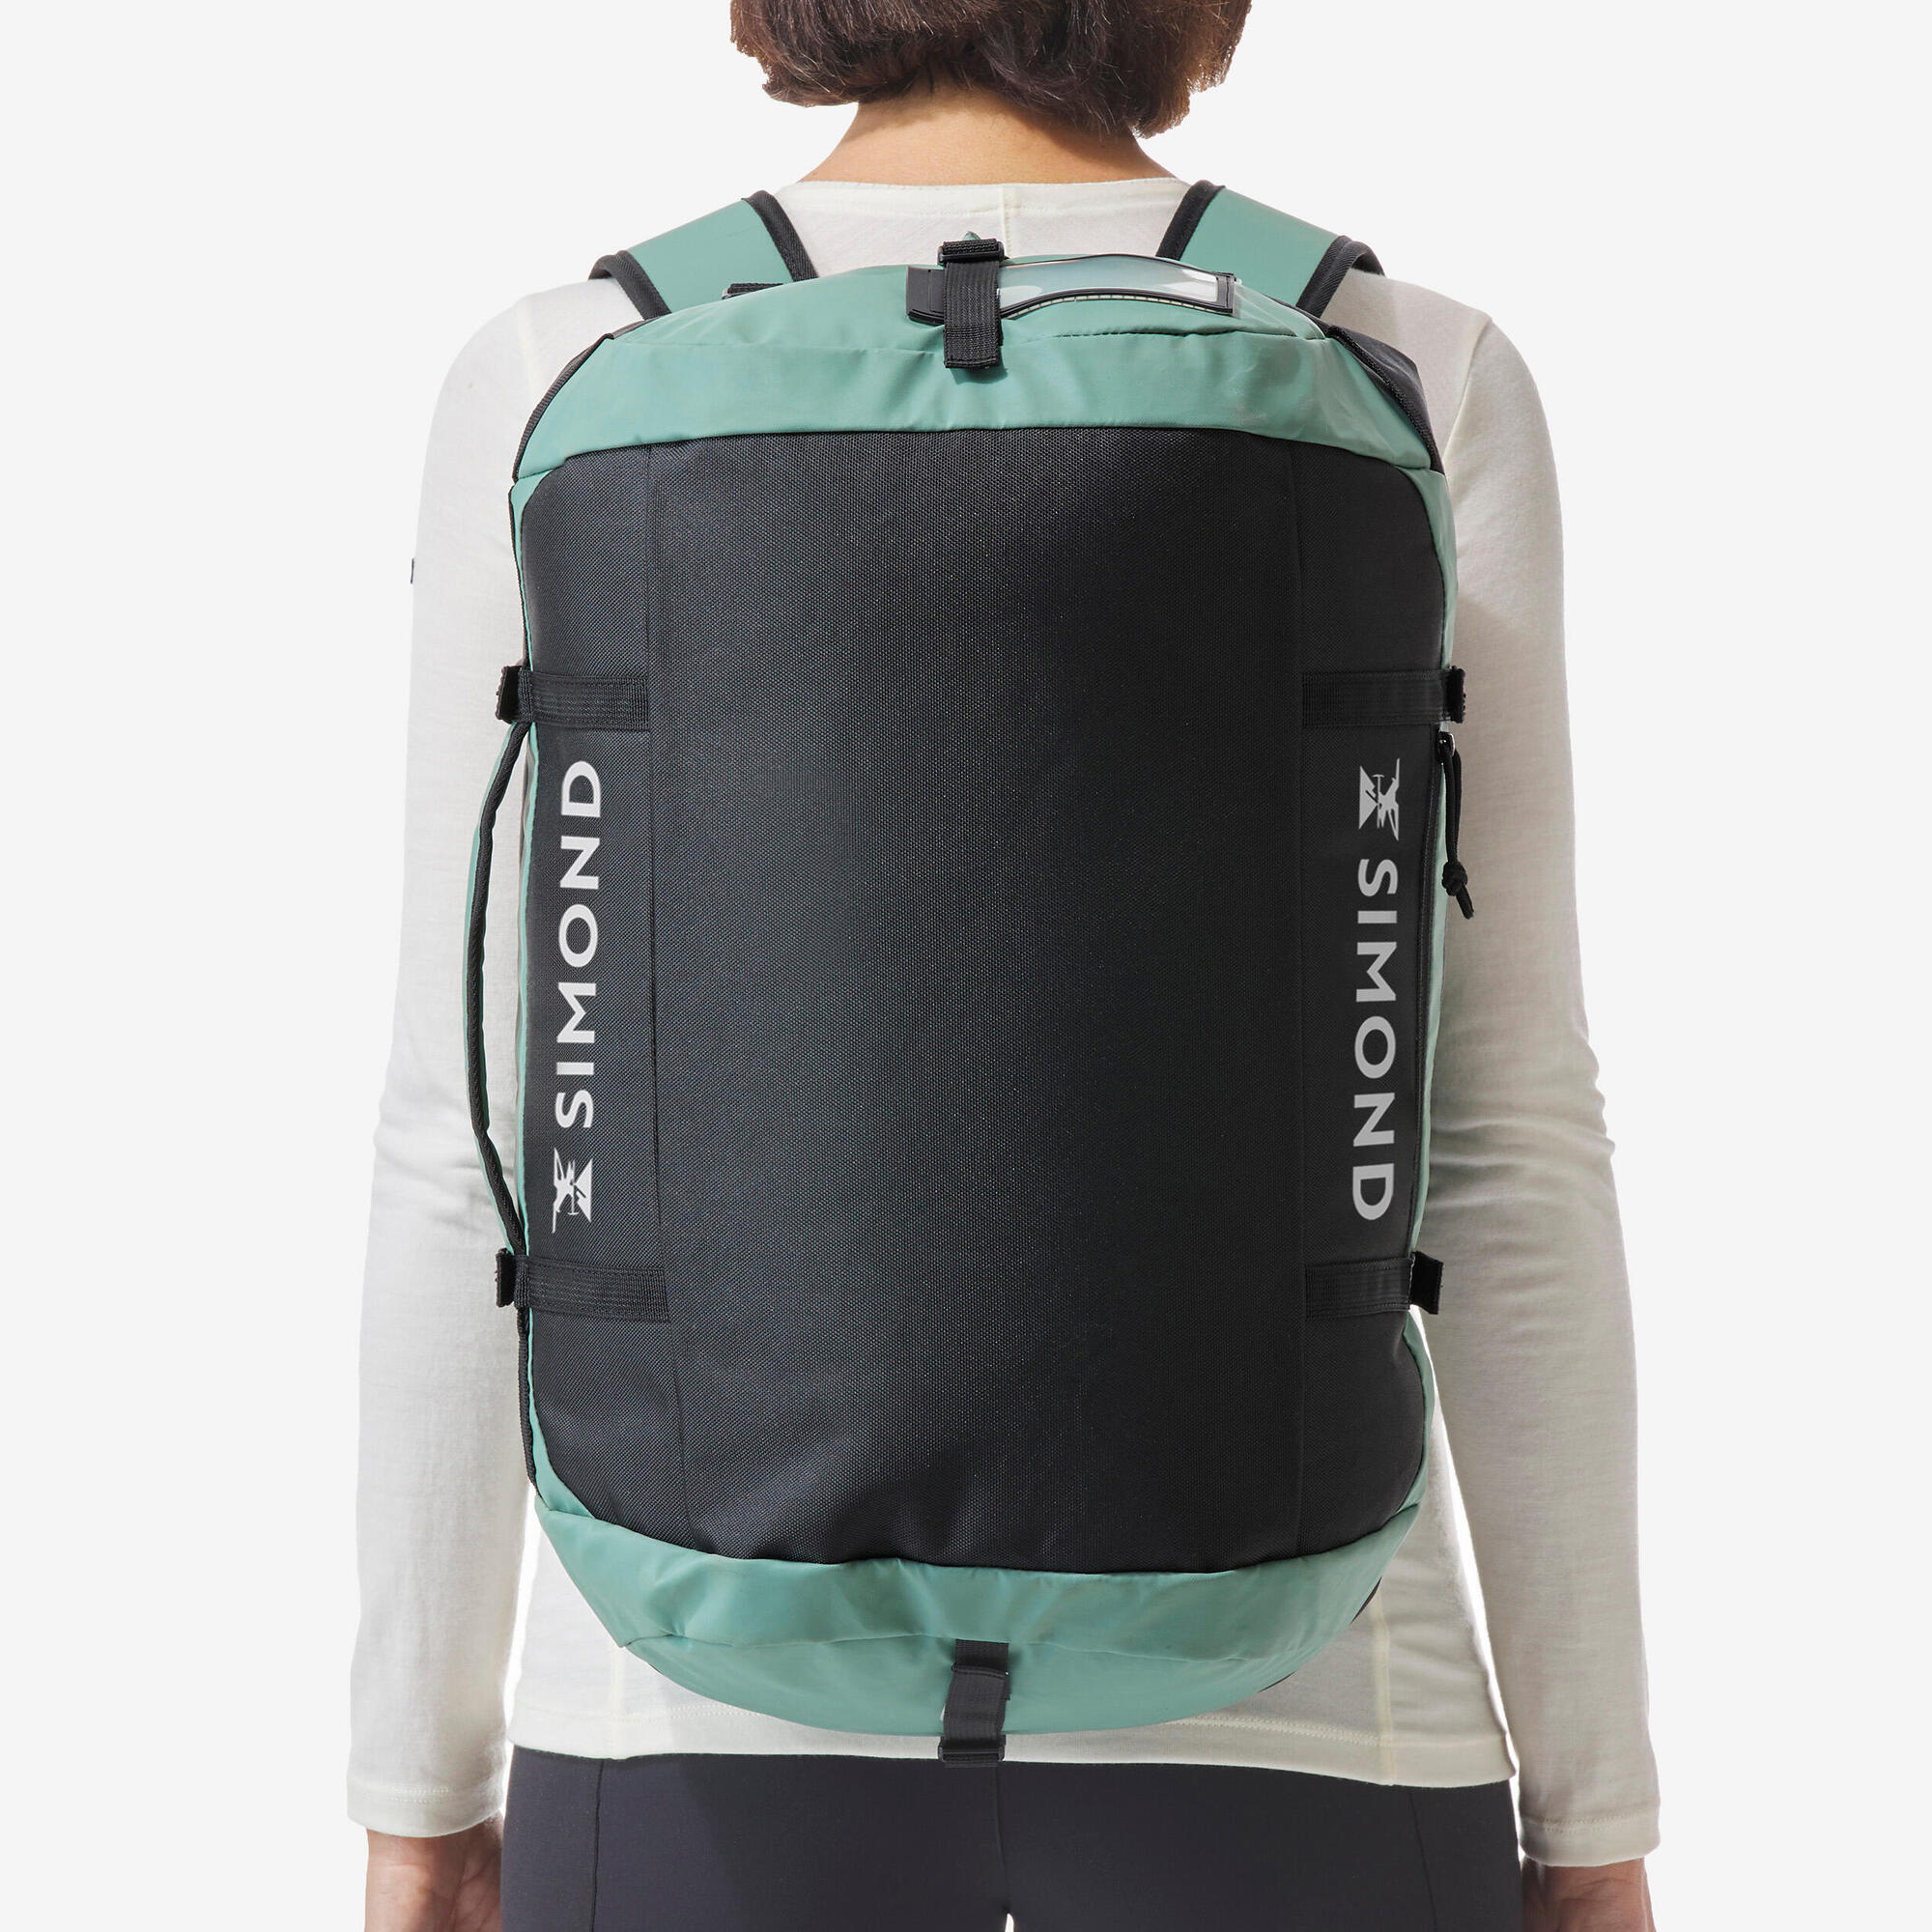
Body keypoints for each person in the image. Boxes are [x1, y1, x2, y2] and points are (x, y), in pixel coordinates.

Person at [351, 4, 1660, 1926]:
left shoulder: (569, 362)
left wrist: (414, 1784)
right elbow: (1504, 1140)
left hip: (678, 1705)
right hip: (1320, 1722)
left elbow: (468, 1136)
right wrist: (1597, 1806)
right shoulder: (1408, 360)